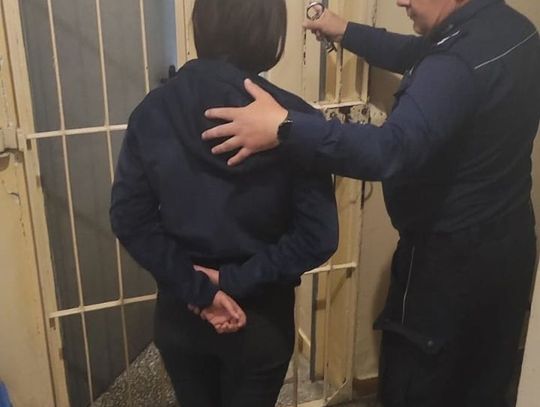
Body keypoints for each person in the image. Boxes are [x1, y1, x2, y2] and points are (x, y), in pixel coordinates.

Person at [201, 0, 540, 406]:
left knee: (417, 386)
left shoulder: (456, 63)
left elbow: (388, 150)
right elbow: (417, 54)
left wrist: (285, 127)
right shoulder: (513, 30)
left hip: (448, 264)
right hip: (510, 243)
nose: (402, 1)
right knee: (486, 378)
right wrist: (344, 30)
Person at [109, 0, 339, 405]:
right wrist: (232, 281)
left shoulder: (152, 112)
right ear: (270, 29)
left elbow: (129, 218)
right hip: (261, 317)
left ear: (201, 22)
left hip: (182, 309)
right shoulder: (294, 120)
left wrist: (198, 290)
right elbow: (318, 237)